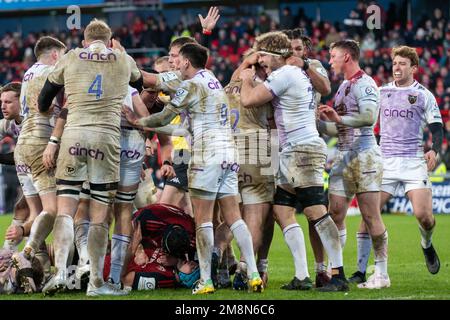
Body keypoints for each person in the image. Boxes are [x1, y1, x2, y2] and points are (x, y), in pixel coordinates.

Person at [125, 43, 263, 295]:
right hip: (227, 153)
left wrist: (138, 121)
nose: (174, 64)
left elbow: (165, 118)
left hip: (206, 153)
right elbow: (178, 127)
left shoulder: (190, 85)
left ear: (187, 62)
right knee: (234, 217)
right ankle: (253, 273)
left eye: (177, 61)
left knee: (203, 221)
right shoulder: (210, 78)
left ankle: (206, 281)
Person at [38, 19, 143, 296]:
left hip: (74, 136)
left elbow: (44, 99)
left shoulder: (71, 56)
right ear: (109, 42)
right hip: (106, 139)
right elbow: (140, 83)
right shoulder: (122, 58)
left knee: (66, 208)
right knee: (99, 215)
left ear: (85, 41)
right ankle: (96, 283)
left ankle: (61, 272)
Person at [239, 31, 346, 292]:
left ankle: (338, 272)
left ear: (276, 55)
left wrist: (245, 79)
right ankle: (301, 275)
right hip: (293, 151)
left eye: (263, 56)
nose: (260, 61)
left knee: (316, 212)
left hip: (302, 150)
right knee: (281, 210)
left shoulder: (285, 73)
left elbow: (248, 100)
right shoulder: (291, 73)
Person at [348, 46, 443, 282]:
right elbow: (364, 118)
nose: (396, 68)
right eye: (394, 63)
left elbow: (437, 127)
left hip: (413, 161)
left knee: (424, 216)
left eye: (402, 63)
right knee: (368, 215)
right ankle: (360, 272)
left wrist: (435, 150)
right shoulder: (381, 92)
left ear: (414, 68)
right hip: (385, 162)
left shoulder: (423, 94)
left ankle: (426, 243)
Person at [318, 40, 390, 289]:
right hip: (343, 156)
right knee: (335, 213)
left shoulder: (365, 83)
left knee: (371, 216)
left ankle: (381, 273)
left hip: (365, 155)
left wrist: (339, 118)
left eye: (333, 56)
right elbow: (337, 128)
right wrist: (313, 122)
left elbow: (369, 117)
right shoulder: (343, 87)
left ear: (347, 57)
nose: (330, 61)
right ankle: (334, 270)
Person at [14, 36, 67, 282]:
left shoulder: (27, 74)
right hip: (39, 143)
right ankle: (26, 253)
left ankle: (43, 272)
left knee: (36, 213)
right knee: (53, 210)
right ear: (55, 55)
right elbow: (45, 109)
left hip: (22, 147)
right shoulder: (50, 72)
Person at [283, 27, 332, 287]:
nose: (293, 54)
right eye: (290, 49)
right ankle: (264, 269)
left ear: (306, 51)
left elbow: (325, 86)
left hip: (306, 145)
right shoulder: (278, 69)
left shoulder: (313, 66)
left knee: (315, 212)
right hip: (280, 147)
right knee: (278, 210)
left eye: (298, 49)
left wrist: (303, 65)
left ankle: (324, 269)